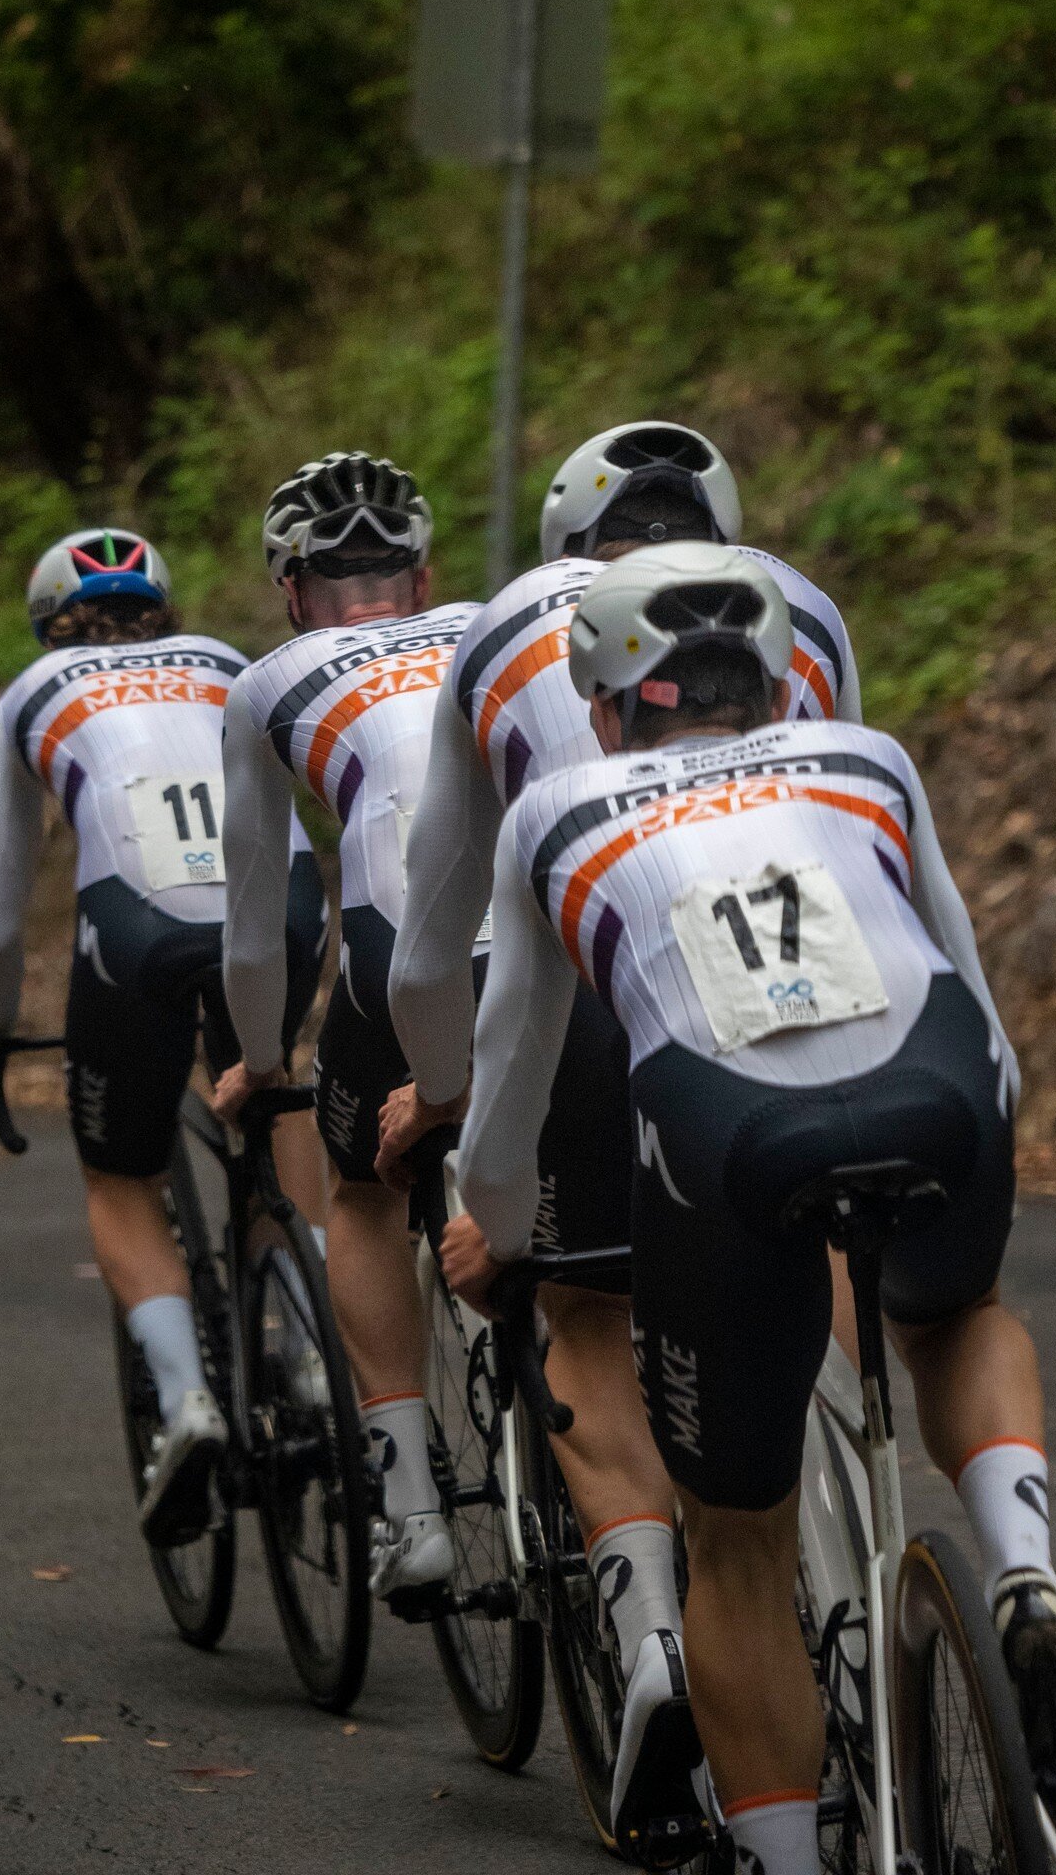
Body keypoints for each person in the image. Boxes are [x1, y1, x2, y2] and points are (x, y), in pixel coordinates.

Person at [444, 543, 1056, 1870]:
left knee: (737, 1543)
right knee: (959, 1312)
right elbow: (979, 1005)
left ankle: (785, 1855)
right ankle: (1025, 1574)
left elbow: (513, 1085)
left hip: (727, 1135)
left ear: (604, 700)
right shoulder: (867, 761)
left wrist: (502, 1233)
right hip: (942, 1096)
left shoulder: (558, 814)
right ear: (772, 678)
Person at [378, 421, 859, 1860]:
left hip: (600, 975)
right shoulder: (804, 599)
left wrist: (445, 1094)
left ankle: (653, 1643)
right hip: (815, 967)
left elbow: (433, 924)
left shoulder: (503, 632)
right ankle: (854, 1551)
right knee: (804, 1231)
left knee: (582, 1306)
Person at [0, 527, 328, 1548]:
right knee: (268, 1077)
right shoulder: (227, 661)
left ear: (50, 625)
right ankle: (313, 1339)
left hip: (137, 928)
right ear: (162, 608)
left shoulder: (36, 692)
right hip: (283, 908)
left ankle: (187, 1402)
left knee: (121, 1180)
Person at [213, 452, 483, 1601]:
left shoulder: (271, 680)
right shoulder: (498, 624)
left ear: (292, 588)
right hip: (555, 935)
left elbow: (256, 928)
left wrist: (263, 1060)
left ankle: (411, 1502)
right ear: (422, 580)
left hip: (398, 946)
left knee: (360, 1189)